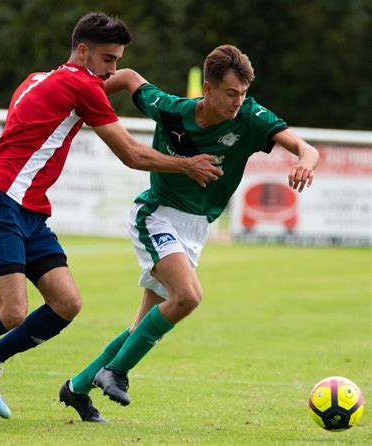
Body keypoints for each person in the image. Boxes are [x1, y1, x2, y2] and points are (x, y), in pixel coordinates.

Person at [0, 13, 221, 421]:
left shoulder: (39, 78)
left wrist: (125, 80)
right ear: (82, 50)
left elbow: (89, 94)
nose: (112, 69)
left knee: (66, 302)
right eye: (107, 58)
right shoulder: (79, 85)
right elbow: (131, 154)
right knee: (11, 312)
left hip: (28, 209)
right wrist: (188, 164)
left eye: (117, 60)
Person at [59, 44, 320, 422]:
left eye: (243, 94)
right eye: (231, 93)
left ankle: (77, 387)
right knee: (188, 296)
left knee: (143, 327)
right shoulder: (171, 110)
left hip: (196, 228)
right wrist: (77, 98)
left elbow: (304, 148)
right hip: (156, 215)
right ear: (208, 89)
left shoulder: (251, 117)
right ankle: (113, 371)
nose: (238, 102)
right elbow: (130, 77)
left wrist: (304, 163)